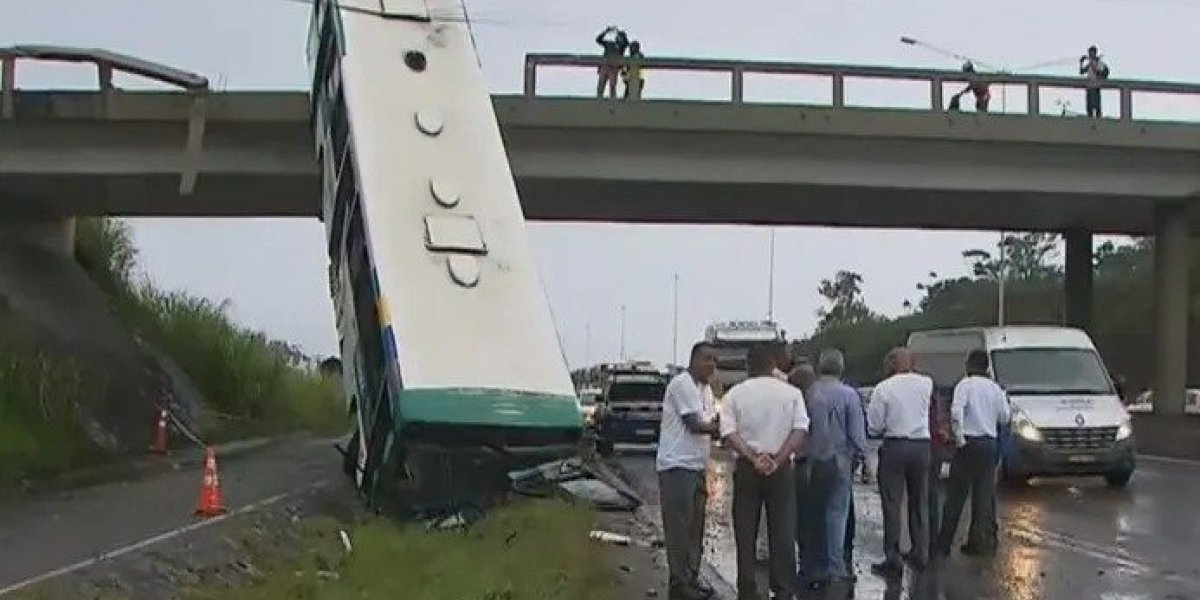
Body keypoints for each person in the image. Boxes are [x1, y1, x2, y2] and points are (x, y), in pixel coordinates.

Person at [721, 344, 809, 600]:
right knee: (782, 529)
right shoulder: (791, 394)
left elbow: (729, 433)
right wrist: (778, 459)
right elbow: (800, 430)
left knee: (745, 529)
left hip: (748, 468)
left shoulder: (735, 394)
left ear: (749, 365)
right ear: (773, 365)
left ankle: (747, 587)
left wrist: (752, 457)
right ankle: (783, 587)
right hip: (780, 469)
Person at [657, 342, 721, 600]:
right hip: (676, 466)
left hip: (695, 467)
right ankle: (679, 584)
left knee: (696, 528)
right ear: (693, 360)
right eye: (707, 359)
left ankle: (691, 578)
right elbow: (694, 424)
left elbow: (709, 421)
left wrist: (717, 425)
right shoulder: (683, 384)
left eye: (715, 360)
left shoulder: (705, 390)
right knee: (679, 529)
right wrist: (720, 429)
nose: (712, 365)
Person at [800, 349, 868, 588]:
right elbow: (858, 434)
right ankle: (836, 566)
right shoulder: (850, 395)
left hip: (814, 461)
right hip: (841, 460)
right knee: (837, 512)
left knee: (814, 514)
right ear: (841, 368)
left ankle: (813, 564)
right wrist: (863, 458)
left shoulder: (812, 393)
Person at [935, 350, 1011, 557]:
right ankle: (977, 543)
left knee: (956, 495)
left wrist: (959, 438)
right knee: (983, 495)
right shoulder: (996, 389)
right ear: (986, 367)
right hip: (989, 443)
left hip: (969, 442)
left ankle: (943, 545)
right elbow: (1005, 417)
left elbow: (956, 411)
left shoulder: (964, 385)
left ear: (968, 365)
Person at [867, 348, 933, 576]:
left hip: (895, 445)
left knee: (892, 503)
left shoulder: (883, 389)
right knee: (919, 500)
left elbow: (874, 425)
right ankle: (921, 552)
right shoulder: (926, 383)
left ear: (890, 364)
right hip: (921, 445)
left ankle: (893, 557)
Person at [595, 26, 630, 99]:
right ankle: (599, 99)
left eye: (621, 37)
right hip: (605, 66)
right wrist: (606, 31)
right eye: (619, 37)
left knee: (612, 85)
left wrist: (619, 32)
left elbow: (627, 43)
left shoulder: (621, 47)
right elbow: (598, 40)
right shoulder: (610, 44)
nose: (619, 38)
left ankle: (613, 100)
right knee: (601, 84)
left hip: (614, 68)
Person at [1079, 46, 1110, 118]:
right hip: (1089, 87)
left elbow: (1098, 73)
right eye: (1089, 53)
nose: (1090, 55)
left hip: (1096, 87)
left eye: (1091, 53)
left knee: (1097, 106)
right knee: (1089, 106)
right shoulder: (1090, 63)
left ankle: (1098, 120)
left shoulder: (1100, 63)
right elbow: (1081, 72)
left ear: (1095, 53)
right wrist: (1081, 63)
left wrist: (1093, 64)